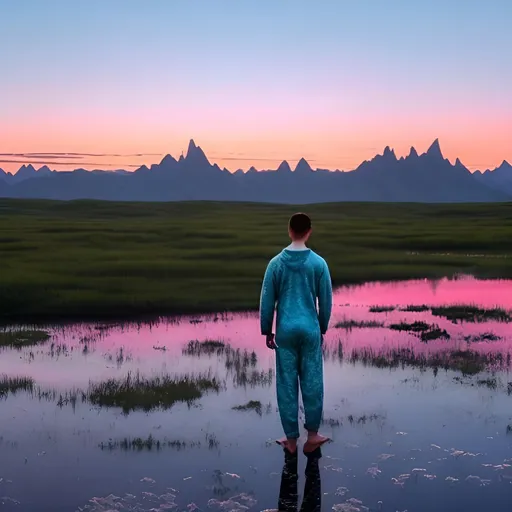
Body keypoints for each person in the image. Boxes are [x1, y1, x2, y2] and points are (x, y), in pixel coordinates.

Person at [259, 212, 333, 454]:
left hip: (286, 331)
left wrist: (266, 330)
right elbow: (326, 301)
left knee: (286, 384)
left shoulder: (276, 263)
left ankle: (291, 441)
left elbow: (267, 300)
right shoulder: (318, 263)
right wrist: (321, 327)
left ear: (289, 230)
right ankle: (312, 436)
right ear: (309, 231)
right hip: (309, 330)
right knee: (312, 382)